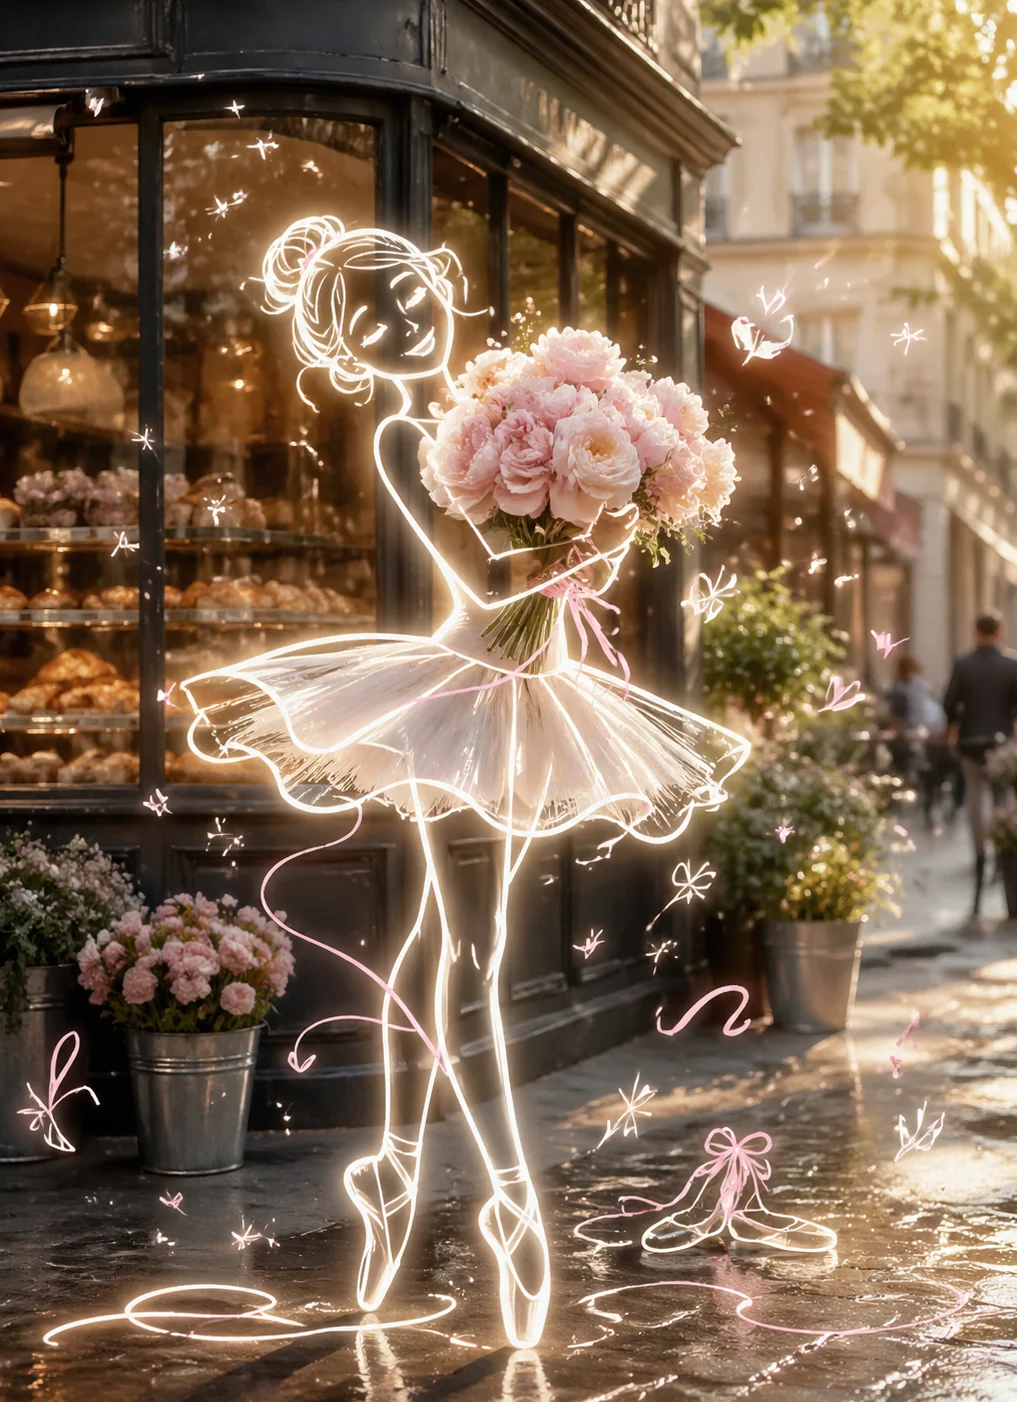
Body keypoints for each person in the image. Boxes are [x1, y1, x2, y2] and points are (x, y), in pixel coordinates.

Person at [182, 217, 750, 1348]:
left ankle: (403, 1167)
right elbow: (478, 581)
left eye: (413, 300)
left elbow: (532, 578)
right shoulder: (409, 436)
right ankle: (488, 1189)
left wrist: (607, 504)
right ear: (348, 335)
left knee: (451, 943)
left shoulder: (475, 415)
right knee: (470, 953)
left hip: (531, 692)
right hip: (462, 695)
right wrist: (573, 535)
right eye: (377, 311)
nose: (406, 323)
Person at [943, 611, 1017, 912]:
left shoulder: (963, 664)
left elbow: (949, 702)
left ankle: (980, 852)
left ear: (976, 632)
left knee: (974, 799)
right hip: (1000, 743)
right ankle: (999, 854)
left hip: (970, 743)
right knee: (1000, 800)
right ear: (1000, 632)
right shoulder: (1011, 665)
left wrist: (954, 725)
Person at [887, 655, 955, 827]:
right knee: (930, 772)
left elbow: (896, 719)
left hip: (912, 736)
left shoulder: (900, 690)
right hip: (930, 734)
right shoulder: (922, 687)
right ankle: (929, 803)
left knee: (904, 767)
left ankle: (904, 800)